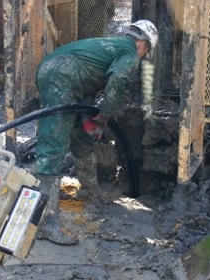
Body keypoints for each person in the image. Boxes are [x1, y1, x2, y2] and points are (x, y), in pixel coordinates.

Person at [35, 20, 158, 245]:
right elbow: (118, 81)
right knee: (53, 144)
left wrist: (88, 121)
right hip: (60, 76)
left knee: (83, 137)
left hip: (62, 74)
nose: (143, 56)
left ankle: (89, 189)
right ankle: (45, 222)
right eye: (146, 51)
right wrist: (102, 119)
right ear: (142, 44)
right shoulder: (129, 53)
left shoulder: (107, 46)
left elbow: (87, 81)